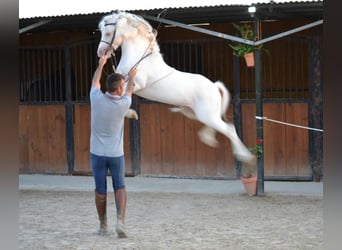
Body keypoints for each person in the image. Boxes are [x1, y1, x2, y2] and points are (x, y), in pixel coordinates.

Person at [89, 55, 137, 238]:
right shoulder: (124, 105)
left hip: (97, 154)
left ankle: (103, 225)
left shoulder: (95, 98)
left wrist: (101, 64)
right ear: (118, 89)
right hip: (116, 155)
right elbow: (130, 91)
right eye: (122, 85)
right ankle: (121, 222)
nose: (124, 87)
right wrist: (132, 77)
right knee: (120, 187)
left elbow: (95, 81)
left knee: (100, 190)